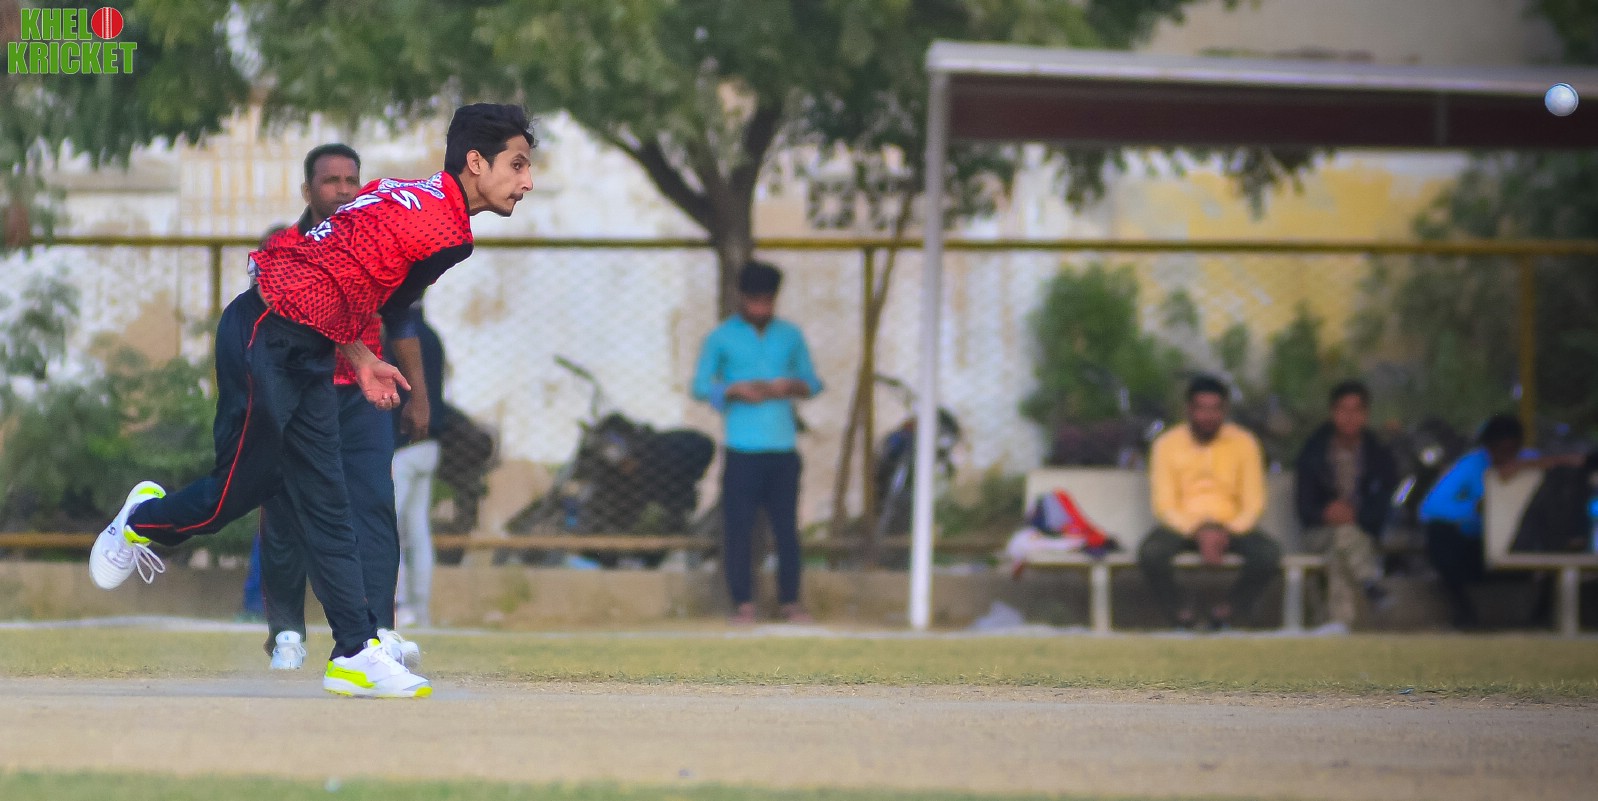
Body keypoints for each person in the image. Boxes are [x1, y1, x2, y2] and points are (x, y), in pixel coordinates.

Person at [88, 103, 536, 698]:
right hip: (264, 332)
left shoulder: (414, 193)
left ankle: (354, 653)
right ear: (476, 162)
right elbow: (334, 283)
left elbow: (351, 278)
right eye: (517, 164)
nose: (527, 181)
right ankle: (139, 521)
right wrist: (361, 354)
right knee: (238, 492)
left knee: (328, 502)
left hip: (308, 344)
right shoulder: (443, 231)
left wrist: (360, 357)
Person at [251, 144, 428, 672]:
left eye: (352, 179)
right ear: (308, 190)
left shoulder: (382, 245)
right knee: (286, 511)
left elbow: (402, 321)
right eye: (332, 181)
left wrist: (418, 394)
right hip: (297, 394)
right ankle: (286, 632)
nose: (345, 190)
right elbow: (259, 328)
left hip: (361, 397)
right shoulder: (282, 248)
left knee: (373, 507)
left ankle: (379, 631)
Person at [691, 261, 822, 625]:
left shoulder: (790, 336)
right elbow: (699, 386)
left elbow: (813, 382)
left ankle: (790, 601)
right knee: (739, 529)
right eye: (754, 301)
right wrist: (732, 390)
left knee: (786, 530)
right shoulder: (721, 338)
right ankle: (743, 603)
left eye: (767, 301)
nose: (761, 308)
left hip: (783, 448)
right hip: (742, 448)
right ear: (741, 298)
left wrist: (791, 386)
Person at [1139, 375, 1282, 630]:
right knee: (1151, 553)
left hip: (1231, 526)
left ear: (1225, 411)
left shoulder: (1245, 443)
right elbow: (1164, 505)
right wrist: (1198, 530)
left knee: (1268, 554)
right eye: (1202, 409)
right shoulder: (1166, 444)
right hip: (1182, 526)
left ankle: (1226, 612)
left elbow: (1253, 503)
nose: (1208, 417)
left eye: (1215, 409)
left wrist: (1225, 531)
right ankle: (1181, 614)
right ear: (1189, 410)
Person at [1418, 413, 1580, 629]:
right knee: (1438, 534)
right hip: (1479, 550)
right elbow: (1430, 507)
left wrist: (1523, 466)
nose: (1503, 456)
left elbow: (1575, 463)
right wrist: (1477, 508)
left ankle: (1543, 614)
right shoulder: (1472, 464)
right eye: (1497, 450)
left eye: (1510, 449)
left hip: (1526, 544)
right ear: (1487, 447)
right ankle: (1464, 611)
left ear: (1519, 445)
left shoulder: (1535, 460)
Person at [1293, 380, 1398, 631]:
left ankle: (1339, 625)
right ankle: (1369, 583)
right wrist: (1326, 513)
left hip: (1361, 533)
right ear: (1333, 413)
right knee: (1343, 536)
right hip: (1318, 534)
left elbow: (1384, 503)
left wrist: (1355, 515)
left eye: (1356, 410)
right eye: (1343, 410)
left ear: (1365, 414)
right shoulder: (1313, 452)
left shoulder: (1379, 455)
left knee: (1341, 546)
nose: (1349, 417)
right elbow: (1304, 506)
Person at [391, 308, 448, 627]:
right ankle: (420, 608)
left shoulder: (401, 336)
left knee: (389, 525)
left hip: (403, 444)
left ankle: (399, 604)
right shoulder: (433, 336)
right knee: (418, 530)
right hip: (429, 443)